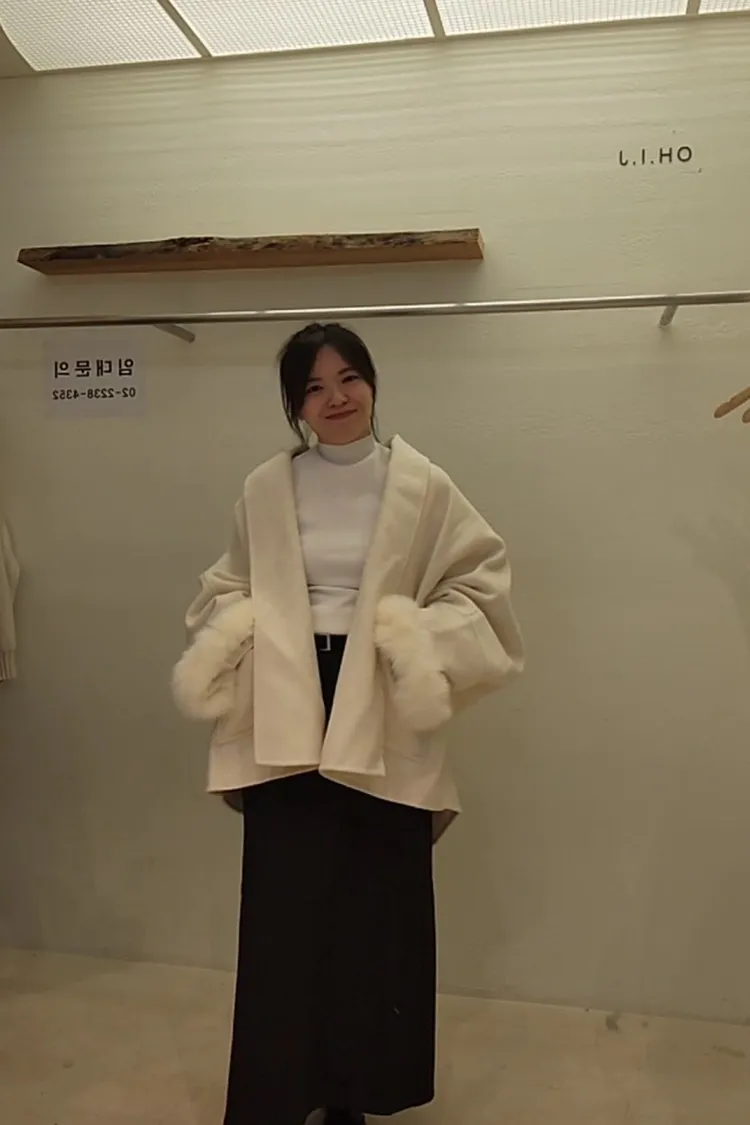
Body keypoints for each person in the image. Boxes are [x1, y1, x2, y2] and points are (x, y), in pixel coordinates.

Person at [172, 323, 525, 1125]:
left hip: (379, 696)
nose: (335, 398)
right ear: (295, 405)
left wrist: (414, 638)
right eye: (313, 387)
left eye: (348, 378)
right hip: (287, 693)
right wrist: (240, 629)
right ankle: (277, 1093)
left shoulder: (423, 484)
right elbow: (225, 583)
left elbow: (480, 583)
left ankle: (352, 1098)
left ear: (372, 382)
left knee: (375, 909)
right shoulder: (268, 486)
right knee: (285, 909)